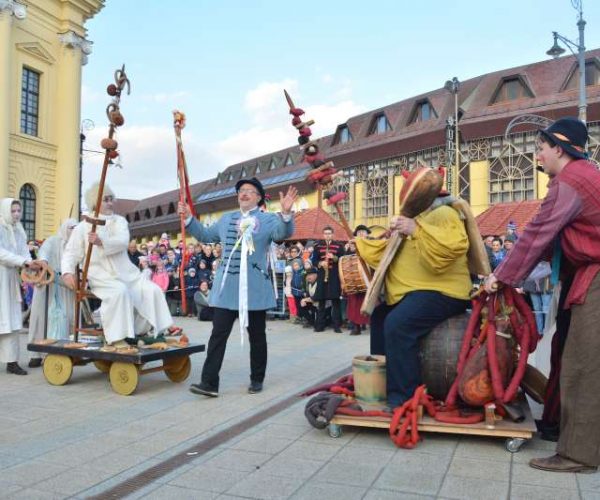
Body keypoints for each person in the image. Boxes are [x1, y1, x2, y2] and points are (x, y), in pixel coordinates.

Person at [485, 117, 600, 473]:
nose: (538, 154)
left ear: (559, 148)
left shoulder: (571, 181)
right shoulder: (583, 176)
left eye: (541, 147)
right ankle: (556, 424)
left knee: (583, 365)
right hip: (583, 276)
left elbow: (536, 234)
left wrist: (499, 277)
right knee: (565, 352)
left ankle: (579, 454)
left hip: (595, 276)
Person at [356, 170, 472, 410]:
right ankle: (383, 384)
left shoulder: (445, 213)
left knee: (398, 324)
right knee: (380, 317)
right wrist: (361, 242)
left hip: (444, 292)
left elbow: (451, 247)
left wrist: (415, 229)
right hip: (420, 292)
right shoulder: (420, 218)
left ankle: (404, 398)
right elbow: (389, 253)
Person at [180, 177, 296, 397]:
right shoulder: (226, 219)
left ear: (259, 197)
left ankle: (257, 379)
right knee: (217, 335)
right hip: (227, 290)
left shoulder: (269, 220)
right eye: (241, 190)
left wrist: (287, 214)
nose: (244, 194)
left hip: (254, 289)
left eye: (250, 191)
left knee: (257, 337)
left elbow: (283, 234)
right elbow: (205, 235)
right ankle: (209, 383)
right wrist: (188, 219)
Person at [61, 183, 178, 346]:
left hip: (127, 273)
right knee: (119, 292)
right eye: (106, 200)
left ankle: (141, 332)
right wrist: (67, 273)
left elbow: (123, 242)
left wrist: (102, 242)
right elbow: (71, 253)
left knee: (153, 291)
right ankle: (117, 338)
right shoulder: (82, 228)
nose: (110, 203)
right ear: (96, 203)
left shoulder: (120, 221)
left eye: (111, 199)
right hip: (100, 275)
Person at [28, 219, 78, 367]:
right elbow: (44, 254)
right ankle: (36, 353)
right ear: (64, 228)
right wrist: (44, 264)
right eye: (70, 228)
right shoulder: (52, 241)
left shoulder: (76, 245)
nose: (73, 232)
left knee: (67, 317)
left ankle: (64, 350)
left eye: (76, 229)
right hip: (48, 286)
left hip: (66, 287)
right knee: (41, 318)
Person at [0, 198, 41, 375]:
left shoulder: (19, 230)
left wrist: (33, 264)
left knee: (12, 321)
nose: (16, 214)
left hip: (10, 280)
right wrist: (24, 261)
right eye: (13, 211)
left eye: (18, 211)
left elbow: (24, 252)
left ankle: (12, 361)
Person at [311, 226, 345, 333]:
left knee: (335, 301)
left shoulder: (339, 246)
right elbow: (314, 260)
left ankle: (337, 326)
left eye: (329, 233)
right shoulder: (318, 246)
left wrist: (334, 258)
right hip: (322, 275)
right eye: (325, 233)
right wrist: (320, 263)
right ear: (323, 234)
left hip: (334, 276)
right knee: (321, 301)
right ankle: (319, 326)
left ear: (332, 234)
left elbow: (342, 259)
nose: (327, 235)